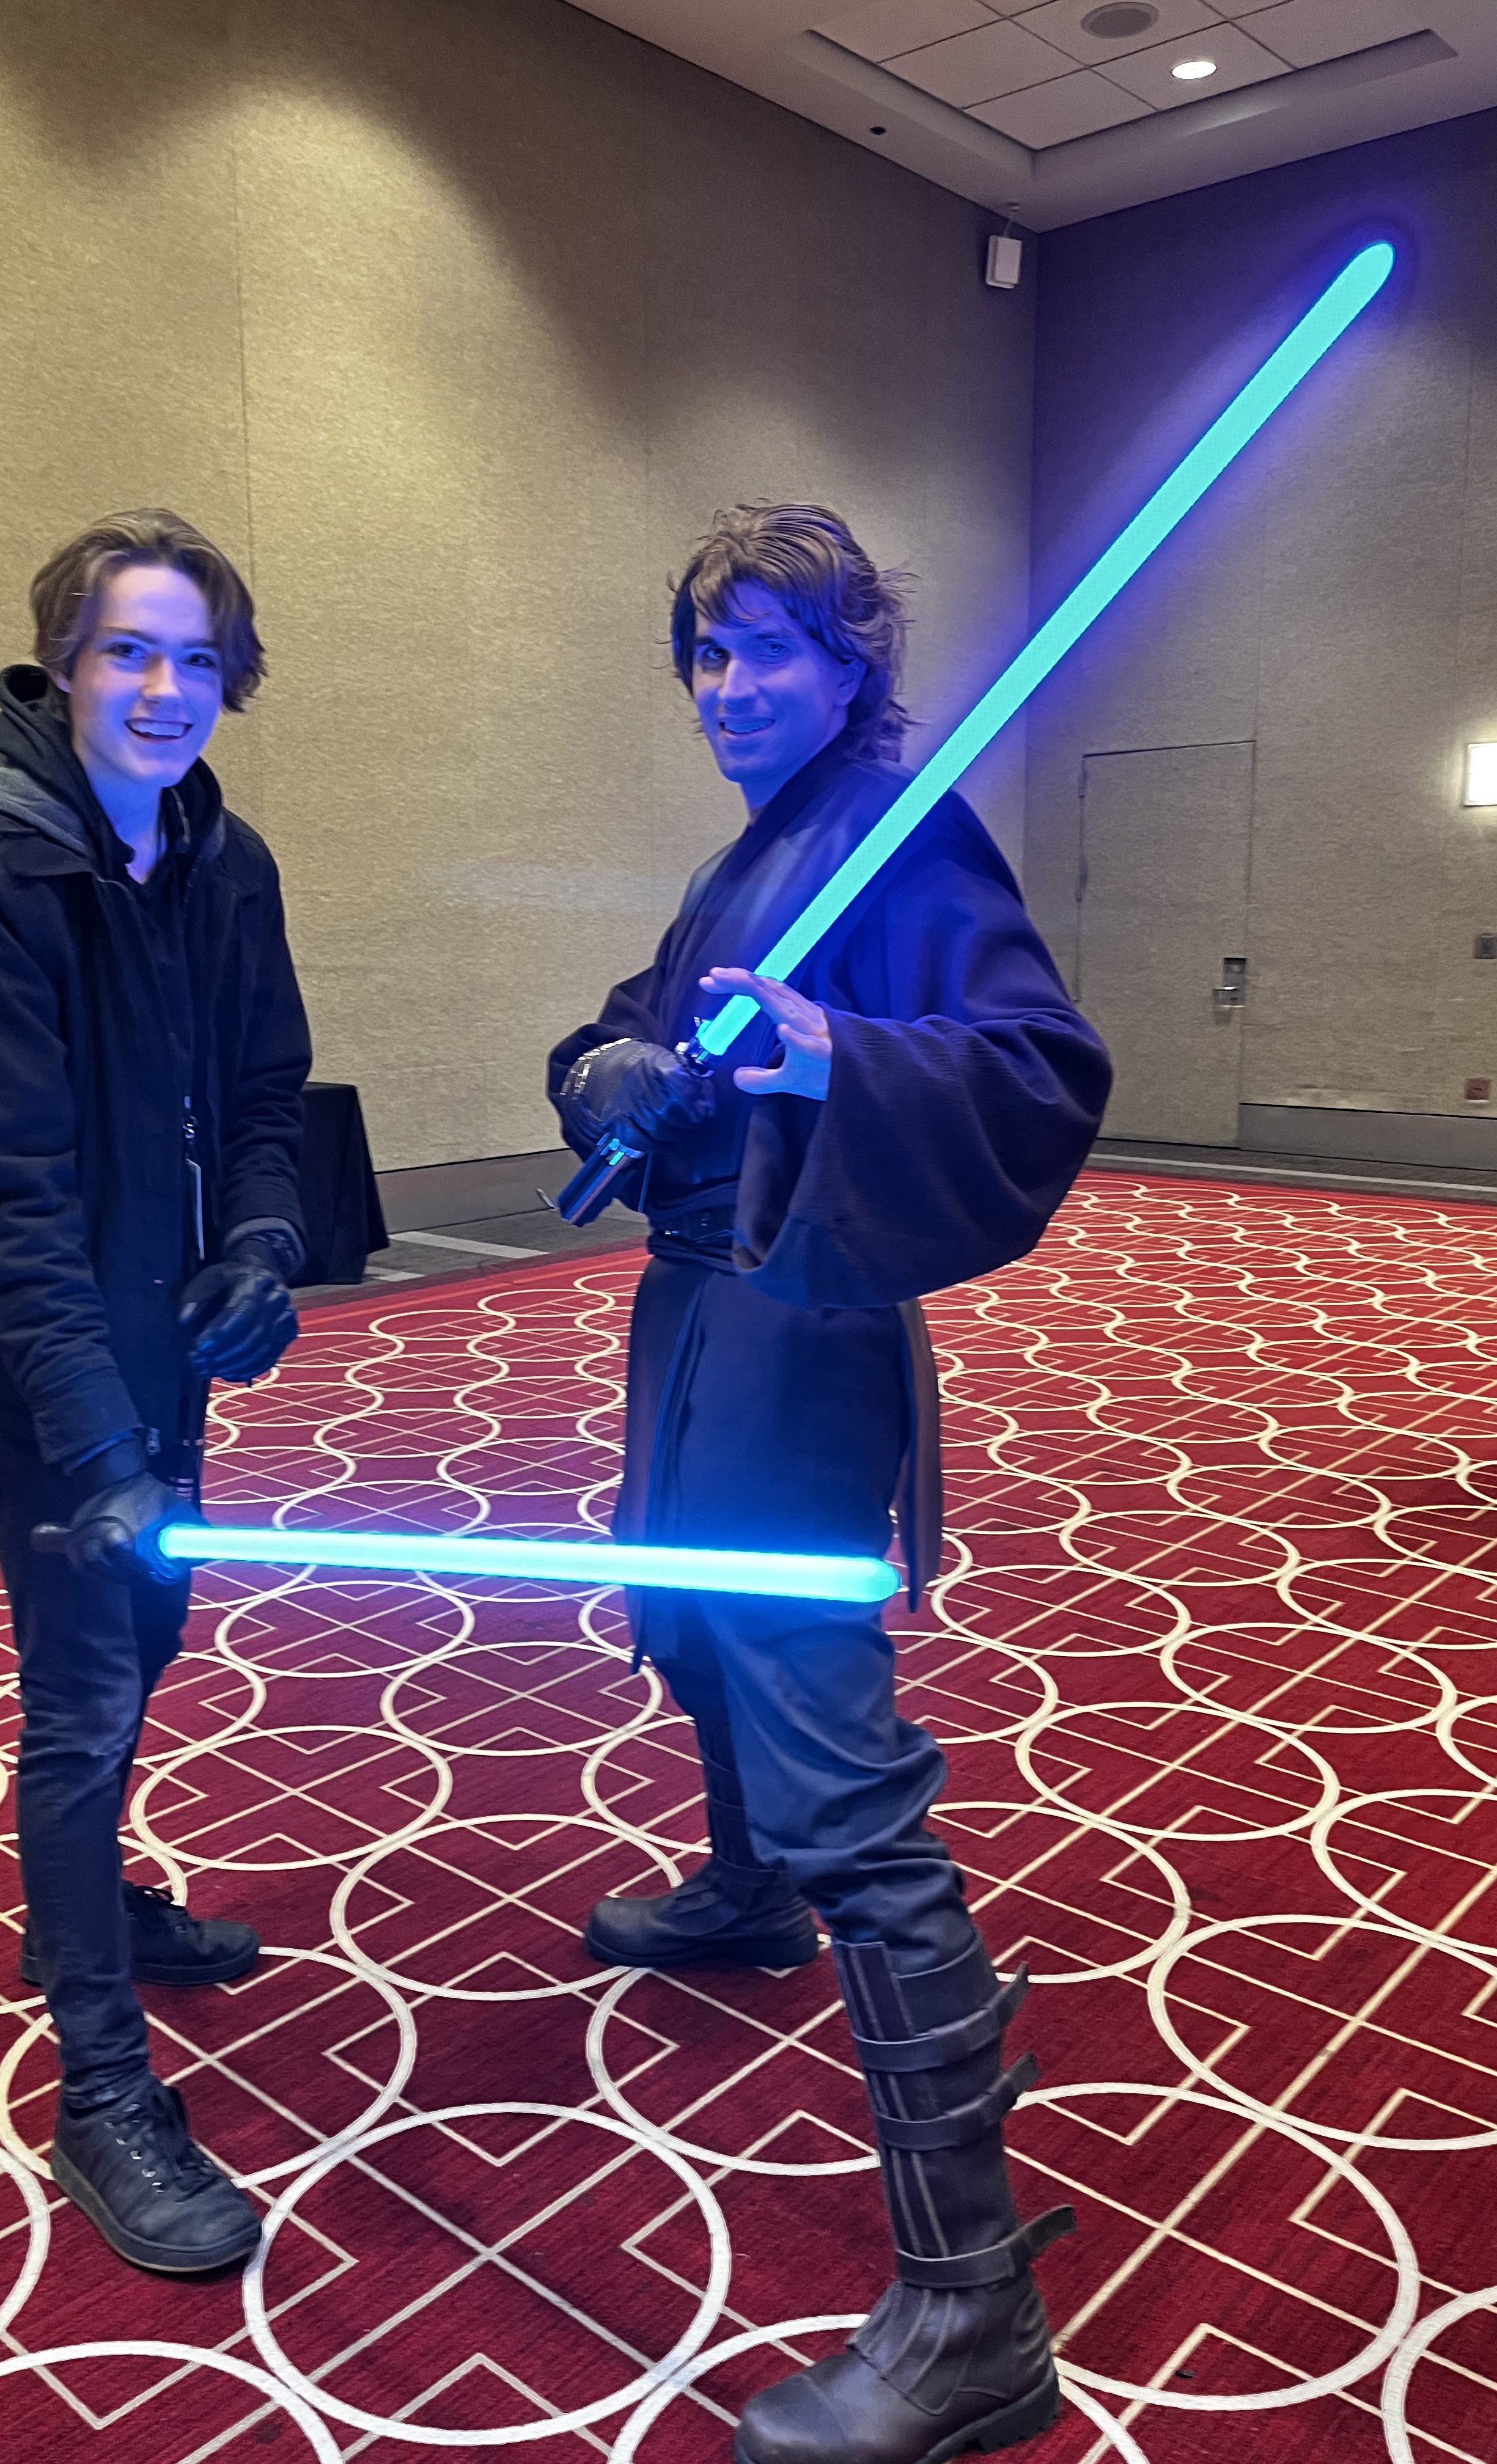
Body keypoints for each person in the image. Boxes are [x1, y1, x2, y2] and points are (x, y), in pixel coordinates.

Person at [549, 505, 1112, 2463]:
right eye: (709, 653)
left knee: (837, 1768)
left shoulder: (901, 830)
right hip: (700, 1311)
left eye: (772, 648)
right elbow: (641, 1020)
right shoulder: (754, 850)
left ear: (852, 660)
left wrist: (826, 1058)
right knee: (701, 1636)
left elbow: (1039, 1065)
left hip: (800, 1325)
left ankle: (972, 2310)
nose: (729, 686)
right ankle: (741, 1891)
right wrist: (608, 1067)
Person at [0, 511, 311, 2273]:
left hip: (163, 1330)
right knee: (80, 1687)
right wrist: (97, 1452)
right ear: (63, 662)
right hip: (35, 1343)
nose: (162, 688)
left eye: (195, 659)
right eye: (128, 650)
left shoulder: (225, 863)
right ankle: (101, 2086)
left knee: (148, 1640)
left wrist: (263, 1246)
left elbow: (271, 1091)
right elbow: (4, 1202)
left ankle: (93, 1909)